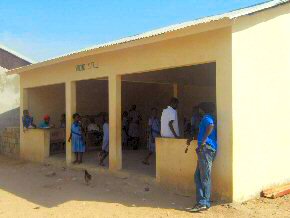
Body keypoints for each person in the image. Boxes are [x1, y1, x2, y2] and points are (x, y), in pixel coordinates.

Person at [187, 102, 217, 212]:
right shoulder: (208, 117)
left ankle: (204, 202)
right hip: (204, 150)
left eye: (200, 109)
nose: (199, 110)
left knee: (204, 177)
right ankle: (202, 201)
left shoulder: (207, 117)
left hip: (206, 149)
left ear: (203, 109)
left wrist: (203, 141)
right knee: (198, 176)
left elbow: (211, 126)